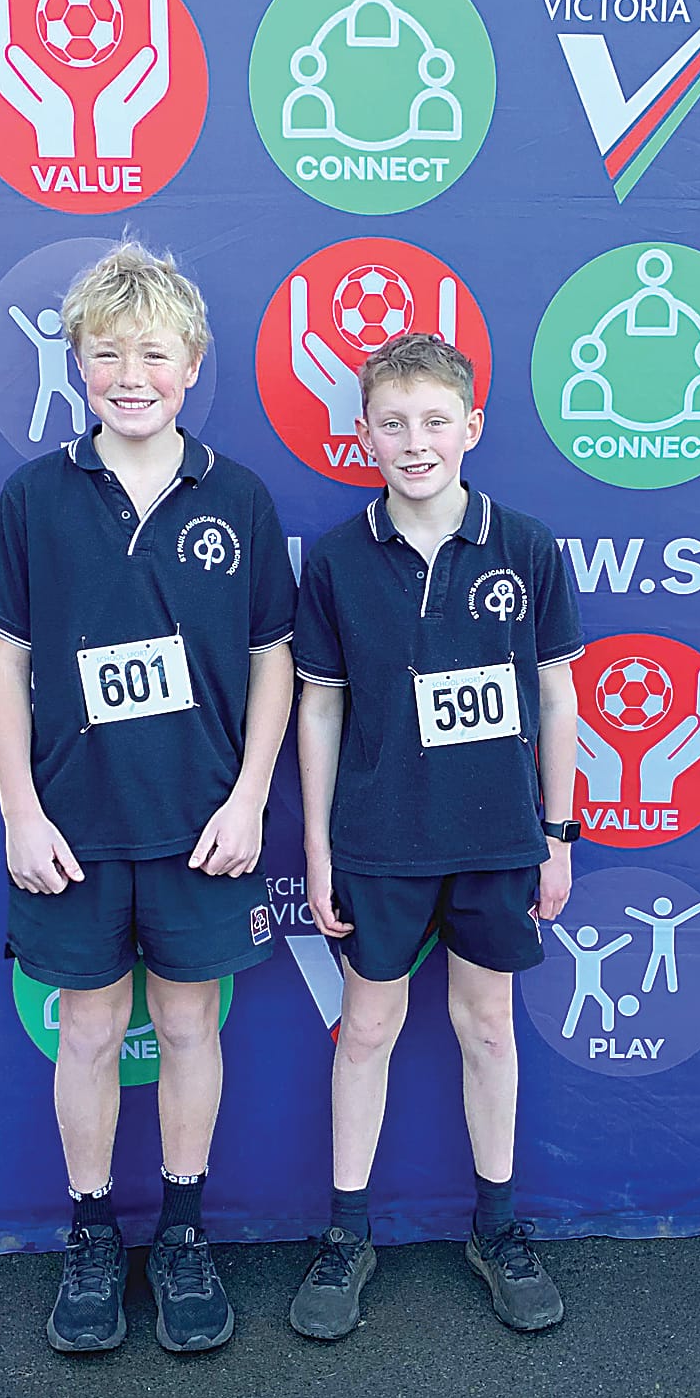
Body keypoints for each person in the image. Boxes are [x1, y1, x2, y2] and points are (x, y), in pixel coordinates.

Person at [0, 242, 296, 1357]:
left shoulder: (238, 497)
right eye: (106, 353)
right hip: (72, 827)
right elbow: (4, 661)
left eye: (152, 353)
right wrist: (20, 809)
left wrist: (250, 797)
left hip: (202, 821)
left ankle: (186, 1236)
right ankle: (93, 1234)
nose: (129, 374)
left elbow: (270, 661)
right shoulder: (34, 497)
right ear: (76, 363)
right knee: (93, 1028)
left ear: (192, 363)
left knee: (193, 1023)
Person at [289, 332, 584, 1341]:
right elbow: (319, 707)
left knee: (486, 1026)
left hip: (496, 837)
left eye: (432, 422)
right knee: (365, 1029)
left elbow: (555, 694)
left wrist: (557, 830)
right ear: (361, 433)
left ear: (471, 427)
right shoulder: (334, 560)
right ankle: (345, 1235)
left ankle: (495, 1226)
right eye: (391, 423)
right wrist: (320, 846)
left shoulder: (525, 547)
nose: (413, 443)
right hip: (376, 838)